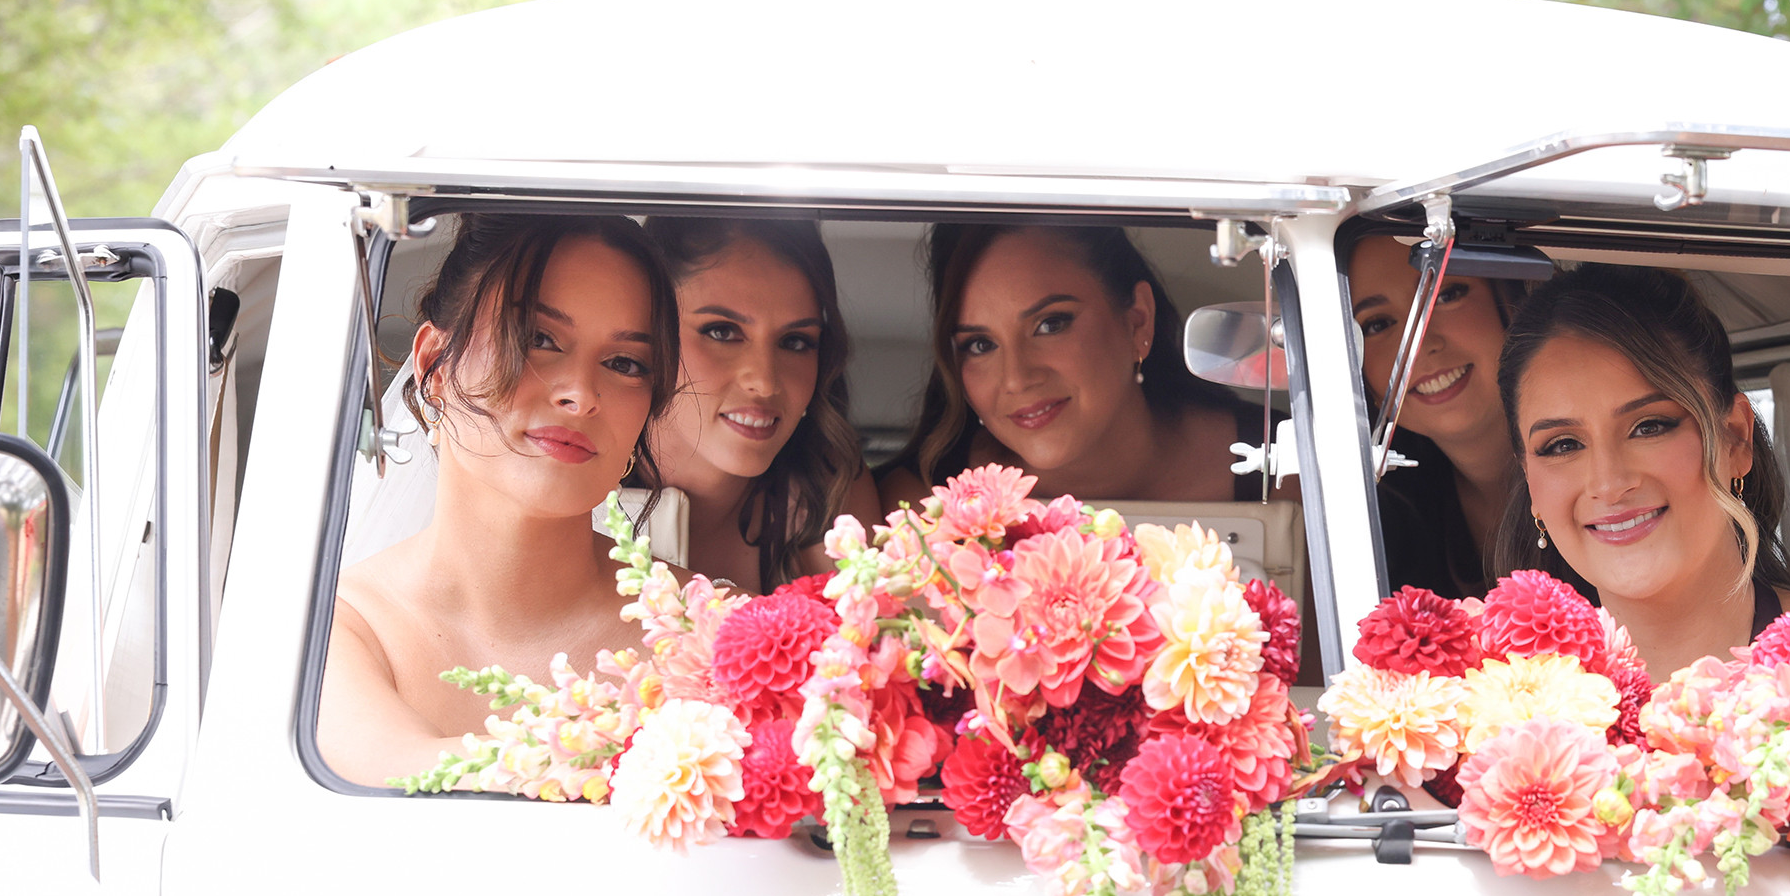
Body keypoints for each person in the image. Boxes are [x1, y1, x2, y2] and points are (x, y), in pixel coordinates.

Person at [1496, 262, 1790, 701]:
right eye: (1562, 445)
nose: (1609, 482)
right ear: (1530, 482)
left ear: (1736, 438)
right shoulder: (1488, 706)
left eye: (1649, 427)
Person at [320, 214, 678, 785]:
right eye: (539, 339)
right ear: (435, 366)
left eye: (624, 364)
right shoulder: (334, 629)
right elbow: (403, 776)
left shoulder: (712, 629)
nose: (581, 395)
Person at [881, 224, 1264, 508]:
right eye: (981, 345)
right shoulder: (920, 506)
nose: (1016, 379)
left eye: (1050, 324)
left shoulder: (1280, 465)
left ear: (1137, 321)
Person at [641, 218, 876, 592]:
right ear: (649, 333)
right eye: (722, 332)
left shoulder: (825, 483)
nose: (765, 382)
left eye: (795, 341)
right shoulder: (578, 478)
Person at [1348, 233, 1521, 599]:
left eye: (1445, 295)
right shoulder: (1372, 524)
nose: (1420, 344)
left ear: (1510, 299)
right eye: (1378, 324)